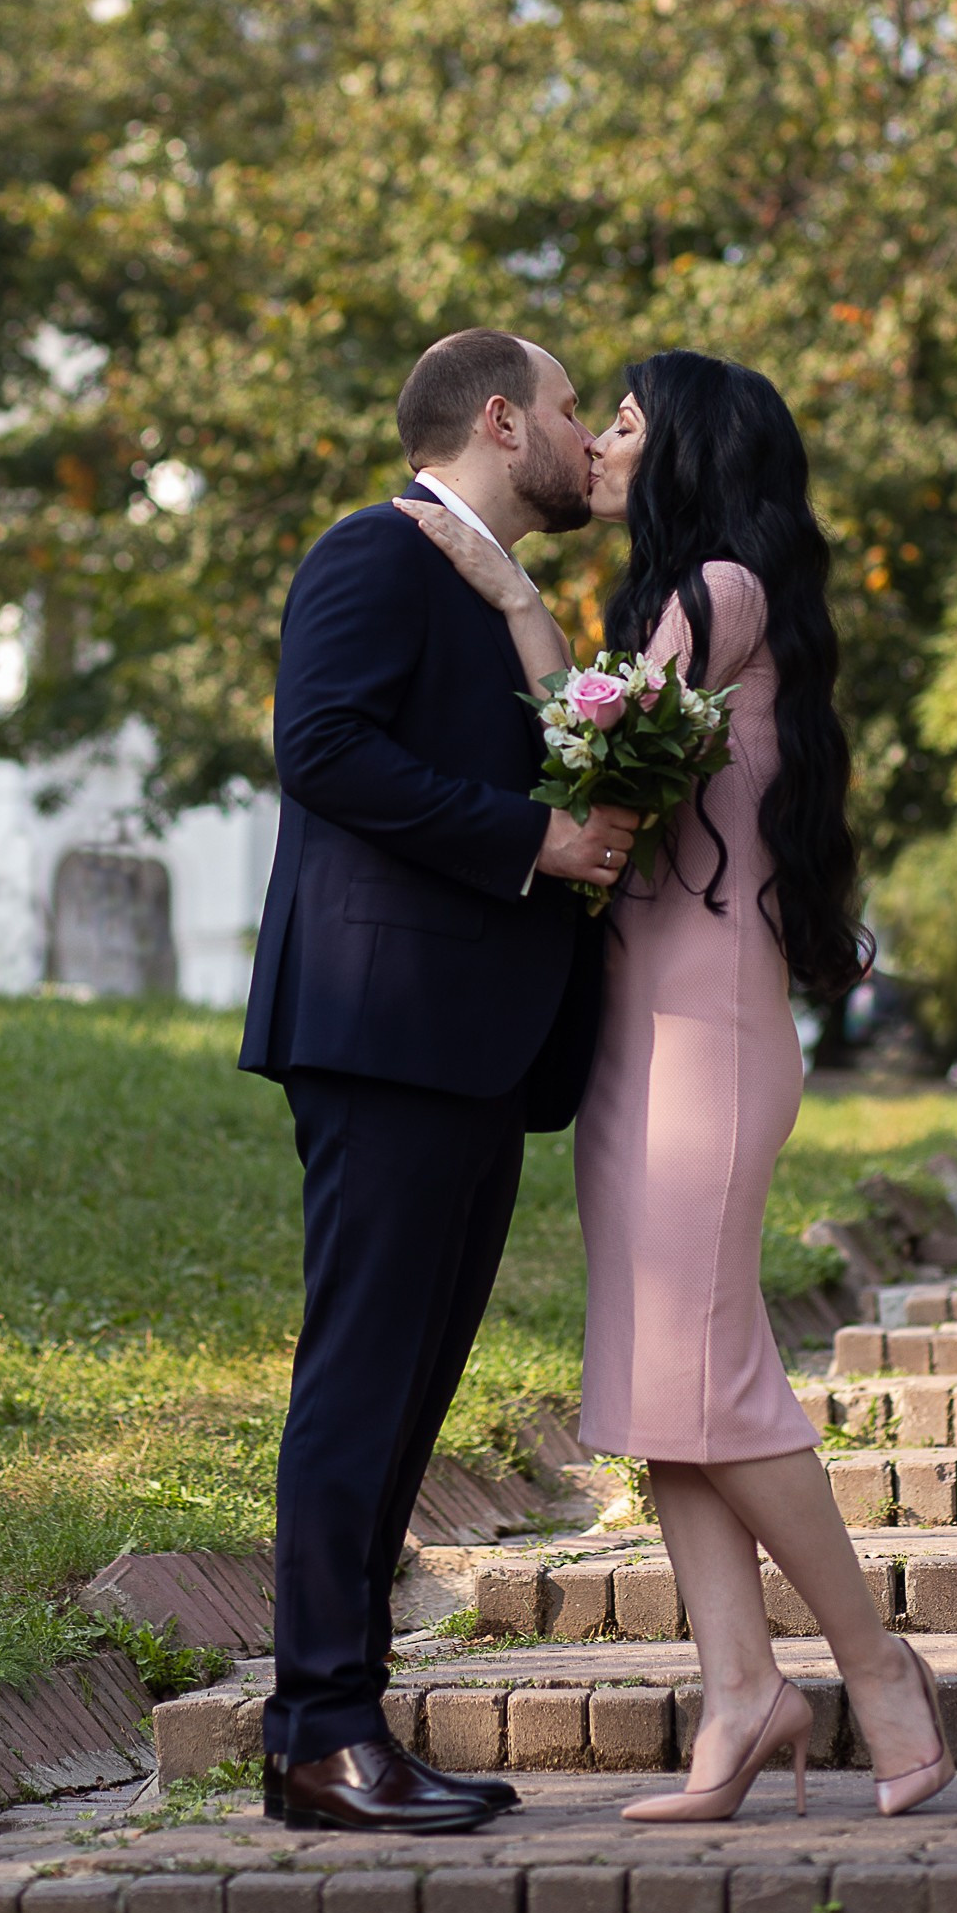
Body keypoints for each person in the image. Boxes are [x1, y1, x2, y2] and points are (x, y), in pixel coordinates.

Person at [399, 350, 954, 1823]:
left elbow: (595, 765)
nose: (597, 443)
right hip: (638, 1032)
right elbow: (601, 759)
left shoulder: (721, 590)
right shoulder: (680, 602)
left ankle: (878, 1669)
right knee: (662, 1383)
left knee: (713, 1371)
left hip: (708, 1030)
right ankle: (740, 1693)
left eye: (626, 423)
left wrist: (512, 599)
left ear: (689, 447)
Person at [242, 328, 642, 1835]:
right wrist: (532, 838)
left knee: (408, 1391)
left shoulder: (500, 590)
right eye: (565, 408)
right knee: (361, 1385)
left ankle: (345, 1728)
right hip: (385, 1030)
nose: (583, 436)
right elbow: (320, 747)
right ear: (498, 420)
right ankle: (318, 1736)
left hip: (477, 1046)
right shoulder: (376, 551)